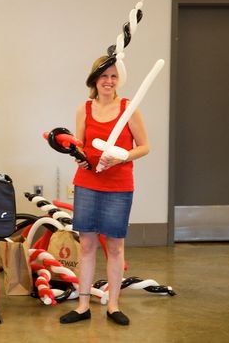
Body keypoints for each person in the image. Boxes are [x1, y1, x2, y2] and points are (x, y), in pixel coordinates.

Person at [59, 55, 149, 326]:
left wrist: (122, 157)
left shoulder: (128, 108)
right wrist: (78, 156)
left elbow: (144, 146)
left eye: (113, 76)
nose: (109, 81)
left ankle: (113, 305)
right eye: (103, 76)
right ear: (94, 79)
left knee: (115, 247)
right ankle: (83, 305)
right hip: (87, 183)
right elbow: (80, 146)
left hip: (119, 186)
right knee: (87, 245)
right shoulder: (83, 109)